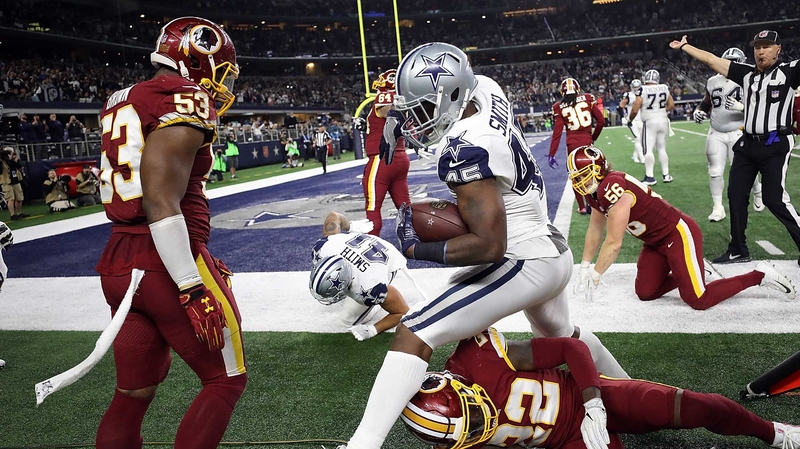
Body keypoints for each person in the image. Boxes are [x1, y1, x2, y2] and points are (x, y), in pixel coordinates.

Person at [340, 42, 628, 449]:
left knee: (415, 331)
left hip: (525, 259)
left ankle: (360, 446)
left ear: (451, 98)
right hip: (550, 246)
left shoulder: (464, 149)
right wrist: (396, 120)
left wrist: (415, 250)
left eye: (422, 110)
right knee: (563, 333)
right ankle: (631, 394)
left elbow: (490, 247)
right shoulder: (487, 88)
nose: (418, 122)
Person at [93, 17, 247, 449]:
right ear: (198, 56)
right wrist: (190, 283)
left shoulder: (122, 99)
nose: (221, 84)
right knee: (226, 379)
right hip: (165, 262)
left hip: (120, 262)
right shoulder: (185, 97)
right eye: (221, 70)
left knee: (133, 392)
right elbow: (160, 200)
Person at [403, 327, 800, 449]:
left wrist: (594, 403)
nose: (482, 428)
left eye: (475, 417)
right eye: (472, 434)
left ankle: (775, 434)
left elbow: (571, 347)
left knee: (699, 407)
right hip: (567, 443)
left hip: (591, 398)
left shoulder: (481, 358)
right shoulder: (451, 435)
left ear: (460, 387)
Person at [566, 145, 795, 310]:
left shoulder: (611, 186)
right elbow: (595, 231)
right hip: (655, 242)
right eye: (576, 177)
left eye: (583, 176)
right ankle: (694, 269)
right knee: (646, 292)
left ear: (598, 170)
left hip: (677, 233)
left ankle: (759, 275)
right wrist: (585, 265)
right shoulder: (596, 193)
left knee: (698, 299)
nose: (579, 182)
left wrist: (596, 274)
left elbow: (614, 242)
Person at [672, 32, 800, 265]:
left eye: (766, 46)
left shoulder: (790, 71)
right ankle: (738, 249)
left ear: (778, 49)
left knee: (775, 199)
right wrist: (685, 47)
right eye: (757, 47)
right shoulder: (747, 73)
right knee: (736, 194)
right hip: (747, 143)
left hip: (775, 143)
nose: (761, 51)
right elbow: (711, 60)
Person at [309, 211, 410, 340]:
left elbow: (402, 311)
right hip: (365, 248)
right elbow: (334, 215)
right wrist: (350, 227)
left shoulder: (369, 287)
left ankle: (376, 305)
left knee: (347, 319)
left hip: (388, 257)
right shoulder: (324, 247)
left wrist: (374, 329)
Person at [693, 48, 765, 222]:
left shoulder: (751, 79)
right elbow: (707, 102)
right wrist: (699, 110)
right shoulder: (712, 81)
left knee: (744, 169)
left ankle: (758, 190)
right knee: (715, 171)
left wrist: (742, 108)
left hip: (739, 131)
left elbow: (762, 107)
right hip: (716, 131)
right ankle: (718, 207)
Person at [363, 69, 411, 235]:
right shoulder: (404, 99)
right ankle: (414, 237)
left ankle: (372, 240)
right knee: (404, 204)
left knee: (372, 204)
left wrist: (393, 106)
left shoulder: (385, 97)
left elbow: (387, 112)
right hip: (401, 158)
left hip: (382, 157)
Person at [547, 78, 605, 215]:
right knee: (592, 172)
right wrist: (593, 137)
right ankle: (594, 202)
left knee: (575, 175)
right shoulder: (587, 99)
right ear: (578, 89)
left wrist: (552, 153)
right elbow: (601, 121)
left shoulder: (559, 107)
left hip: (572, 144)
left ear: (563, 91)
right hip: (587, 141)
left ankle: (582, 206)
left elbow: (557, 133)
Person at [629, 69, 675, 186]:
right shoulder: (664, 87)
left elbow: (635, 109)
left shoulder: (642, 89)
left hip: (649, 122)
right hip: (663, 120)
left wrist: (630, 120)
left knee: (648, 149)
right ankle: (666, 175)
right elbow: (671, 105)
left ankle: (650, 177)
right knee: (662, 149)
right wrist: (659, 112)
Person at [618, 79, 644, 164]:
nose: (636, 89)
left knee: (641, 140)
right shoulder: (629, 95)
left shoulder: (643, 94)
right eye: (634, 87)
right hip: (632, 120)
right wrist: (623, 117)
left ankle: (635, 156)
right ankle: (642, 158)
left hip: (642, 119)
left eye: (637, 87)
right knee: (637, 138)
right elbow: (621, 106)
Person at [0, 147, 27, 220]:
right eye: (10, 154)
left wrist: (12, 159)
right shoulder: (1, 162)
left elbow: (19, 166)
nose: (11, 155)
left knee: (19, 198)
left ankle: (19, 213)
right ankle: (12, 215)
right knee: (10, 199)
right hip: (6, 182)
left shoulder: (12, 162)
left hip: (15, 181)